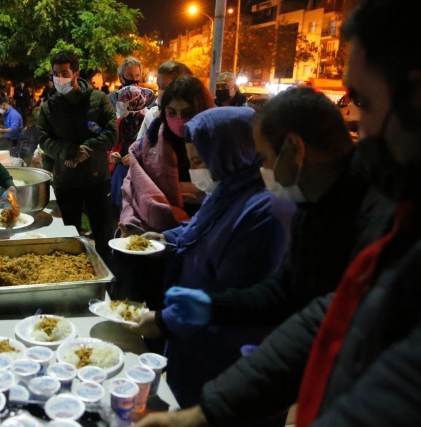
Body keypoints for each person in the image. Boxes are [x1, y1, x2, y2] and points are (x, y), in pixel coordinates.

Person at [126, 0, 421, 427]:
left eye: (365, 104)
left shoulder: (412, 222)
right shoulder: (368, 206)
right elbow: (324, 310)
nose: (359, 127)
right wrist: (209, 403)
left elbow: (404, 385)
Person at [164, 86, 391, 331]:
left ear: (295, 149)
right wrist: (215, 307)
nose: (261, 168)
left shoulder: (376, 223)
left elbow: (320, 320)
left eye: (262, 157)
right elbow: (289, 289)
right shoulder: (311, 207)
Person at [131, 107, 294, 407]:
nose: (196, 172)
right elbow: (200, 229)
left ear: (231, 151)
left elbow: (233, 298)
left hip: (229, 360)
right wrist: (166, 238)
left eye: (199, 161)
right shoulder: (228, 191)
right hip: (195, 345)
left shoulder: (264, 211)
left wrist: (165, 322)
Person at [37, 50, 118, 260]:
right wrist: (70, 151)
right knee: (69, 237)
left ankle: (107, 278)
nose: (59, 78)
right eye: (55, 74)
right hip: (66, 181)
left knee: (104, 234)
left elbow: (111, 134)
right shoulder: (49, 108)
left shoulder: (99, 100)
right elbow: (44, 140)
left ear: (76, 73)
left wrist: (86, 149)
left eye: (64, 73)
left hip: (97, 179)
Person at [120, 76, 215, 234]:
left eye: (186, 113)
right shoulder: (147, 146)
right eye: (172, 112)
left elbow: (223, 189)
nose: (178, 119)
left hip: (206, 230)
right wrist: (131, 224)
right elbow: (132, 190)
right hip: (153, 235)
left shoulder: (216, 144)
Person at [108, 84, 155, 216]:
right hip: (119, 172)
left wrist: (136, 157)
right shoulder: (120, 122)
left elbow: (152, 150)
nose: (119, 104)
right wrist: (112, 155)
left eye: (123, 101)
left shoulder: (150, 122)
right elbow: (109, 147)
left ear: (135, 103)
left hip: (139, 174)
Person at [136, 61, 192, 141]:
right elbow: (138, 149)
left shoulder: (193, 118)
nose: (160, 92)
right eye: (158, 86)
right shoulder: (152, 114)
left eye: (165, 87)